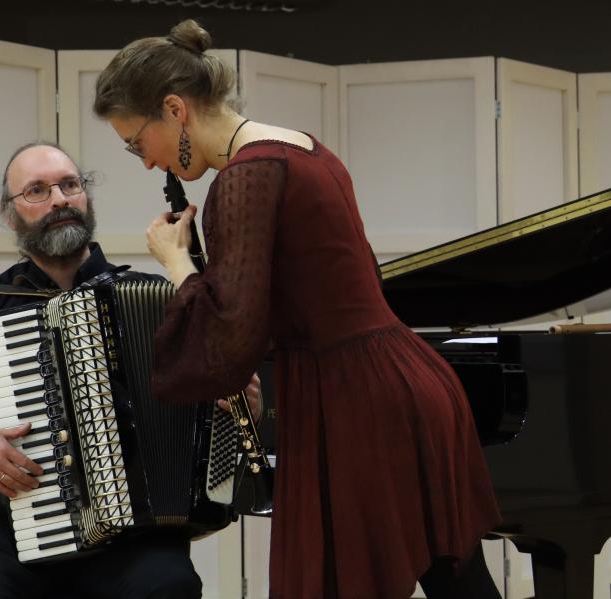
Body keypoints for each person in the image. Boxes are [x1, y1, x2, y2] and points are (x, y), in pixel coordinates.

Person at [93, 19, 503, 599]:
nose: (145, 162)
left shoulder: (245, 178)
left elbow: (227, 343)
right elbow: (306, 293)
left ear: (175, 109)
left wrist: (177, 262)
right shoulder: (304, 148)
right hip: (408, 380)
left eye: (137, 143)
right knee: (460, 584)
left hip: (356, 400)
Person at [0, 142, 260, 599]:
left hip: (135, 536)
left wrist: (241, 407)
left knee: (170, 586)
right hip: (16, 526)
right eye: (37, 190)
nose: (59, 200)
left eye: (69, 185)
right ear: (9, 216)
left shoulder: (156, 301)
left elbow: (211, 418)